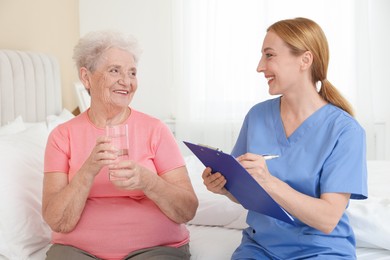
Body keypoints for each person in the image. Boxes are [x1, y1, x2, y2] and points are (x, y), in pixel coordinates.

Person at [202, 17, 367, 259]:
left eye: (269, 55)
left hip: (320, 250)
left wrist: (269, 182)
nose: (260, 67)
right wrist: (224, 188)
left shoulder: (345, 131)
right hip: (259, 248)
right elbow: (246, 192)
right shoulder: (257, 115)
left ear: (305, 60)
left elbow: (328, 218)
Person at [42, 30, 198, 260]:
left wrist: (147, 181)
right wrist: (88, 170)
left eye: (132, 73)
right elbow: (57, 220)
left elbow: (187, 210)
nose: (127, 82)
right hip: (77, 252)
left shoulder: (156, 130)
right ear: (86, 78)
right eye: (115, 70)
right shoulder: (61, 136)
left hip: (154, 250)